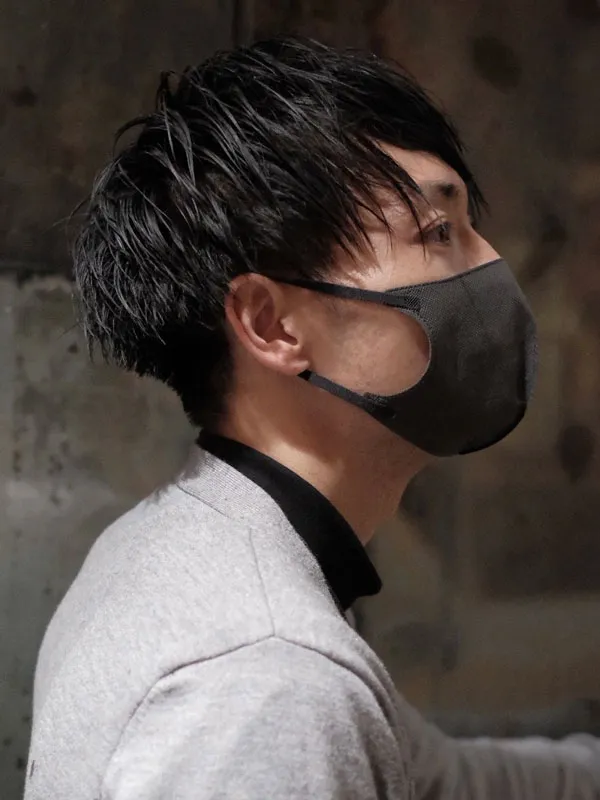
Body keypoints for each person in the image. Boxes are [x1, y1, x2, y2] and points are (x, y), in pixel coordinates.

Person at [25, 36, 599, 799]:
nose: (491, 265)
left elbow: (432, 774)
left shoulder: (197, 546)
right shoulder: (265, 678)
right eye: (438, 233)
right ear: (272, 324)